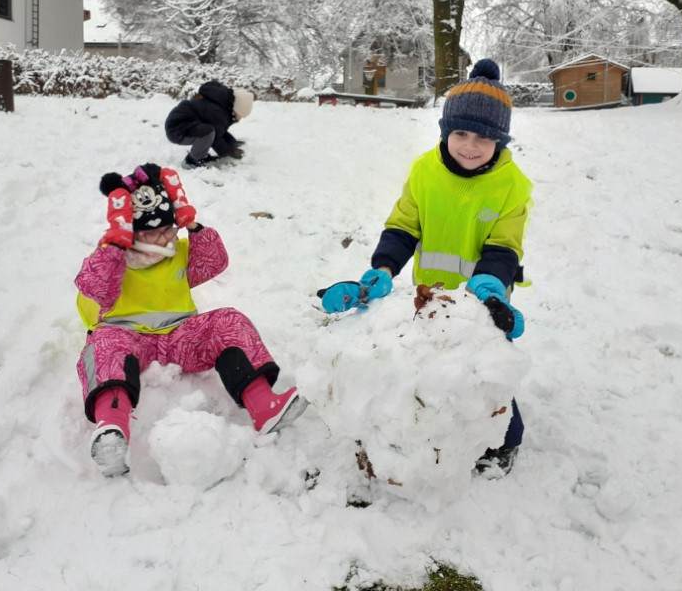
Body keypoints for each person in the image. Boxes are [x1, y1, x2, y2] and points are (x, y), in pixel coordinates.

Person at [317, 58, 532, 475]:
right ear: (445, 131)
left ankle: (506, 440)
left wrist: (490, 291)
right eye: (461, 133)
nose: (470, 146)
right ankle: (437, 429)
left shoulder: (512, 186)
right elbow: (402, 227)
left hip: (484, 295)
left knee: (486, 369)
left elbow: (504, 247)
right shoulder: (424, 171)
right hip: (429, 293)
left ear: (500, 140)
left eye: (484, 138)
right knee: (432, 363)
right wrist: (382, 271)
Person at [75, 162, 306, 476]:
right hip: (128, 338)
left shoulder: (178, 251)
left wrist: (193, 225)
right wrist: (114, 245)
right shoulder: (111, 259)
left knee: (229, 320)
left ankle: (263, 404)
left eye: (167, 229)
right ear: (131, 232)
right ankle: (111, 429)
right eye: (153, 233)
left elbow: (214, 261)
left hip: (180, 337)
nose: (164, 239)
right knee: (102, 346)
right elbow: (94, 286)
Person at [164, 80, 254, 168]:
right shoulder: (218, 111)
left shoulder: (221, 104)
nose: (240, 119)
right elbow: (216, 139)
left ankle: (201, 155)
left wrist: (232, 143)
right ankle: (191, 161)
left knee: (209, 131)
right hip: (177, 129)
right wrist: (230, 152)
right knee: (208, 132)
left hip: (182, 124)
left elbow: (220, 130)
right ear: (237, 108)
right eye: (240, 115)